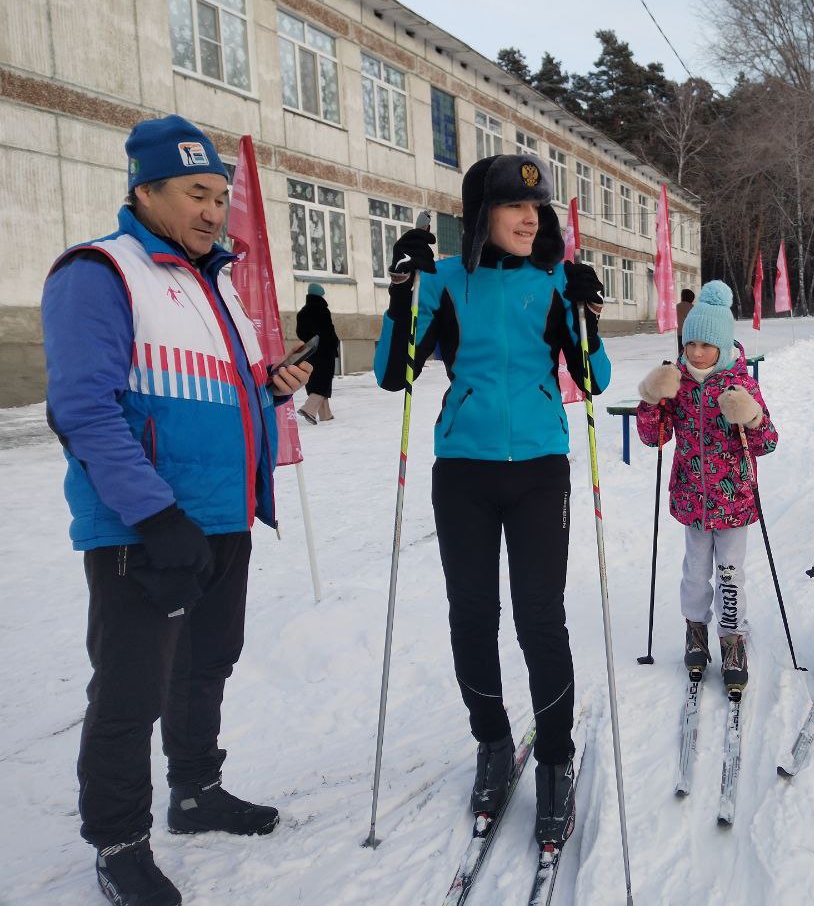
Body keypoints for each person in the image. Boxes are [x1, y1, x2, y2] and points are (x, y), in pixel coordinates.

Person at [41, 115, 313, 906]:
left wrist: (268, 389)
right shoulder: (100, 272)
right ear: (146, 191)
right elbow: (83, 411)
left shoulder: (215, 283)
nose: (212, 211)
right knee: (131, 690)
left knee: (204, 665)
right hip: (145, 526)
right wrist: (157, 518)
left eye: (219, 197)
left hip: (221, 517)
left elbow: (213, 394)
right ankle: (119, 843)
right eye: (195, 194)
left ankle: (195, 791)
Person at [373, 154, 609, 848]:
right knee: (473, 615)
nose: (530, 218)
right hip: (465, 472)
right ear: (482, 214)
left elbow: (593, 378)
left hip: (539, 468)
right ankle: (493, 743)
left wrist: (587, 314)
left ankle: (556, 757)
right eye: (514, 206)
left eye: (536, 207)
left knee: (540, 617)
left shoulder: (555, 280)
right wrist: (403, 294)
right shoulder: (447, 281)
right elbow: (394, 372)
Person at [634, 281, 779, 696]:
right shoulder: (675, 381)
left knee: (730, 574)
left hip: (734, 500)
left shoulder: (740, 383)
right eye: (691, 343)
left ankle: (732, 640)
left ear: (723, 345)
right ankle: (695, 631)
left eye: (706, 345)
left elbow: (768, 443)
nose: (696, 352)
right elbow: (653, 437)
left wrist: (751, 418)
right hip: (691, 498)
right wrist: (651, 400)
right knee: (695, 573)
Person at [295, 282, 341, 423]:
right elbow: (328, 332)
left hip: (310, 351)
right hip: (325, 351)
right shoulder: (322, 310)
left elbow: (300, 333)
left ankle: (326, 415)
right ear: (320, 295)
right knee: (323, 381)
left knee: (316, 380)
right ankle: (308, 409)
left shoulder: (302, 312)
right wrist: (334, 343)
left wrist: (311, 341)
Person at [675, 287, 696, 355]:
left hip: (679, 332)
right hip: (690, 333)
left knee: (681, 351)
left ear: (682, 297)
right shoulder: (694, 308)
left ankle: (680, 361)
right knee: (689, 352)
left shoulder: (677, 306)